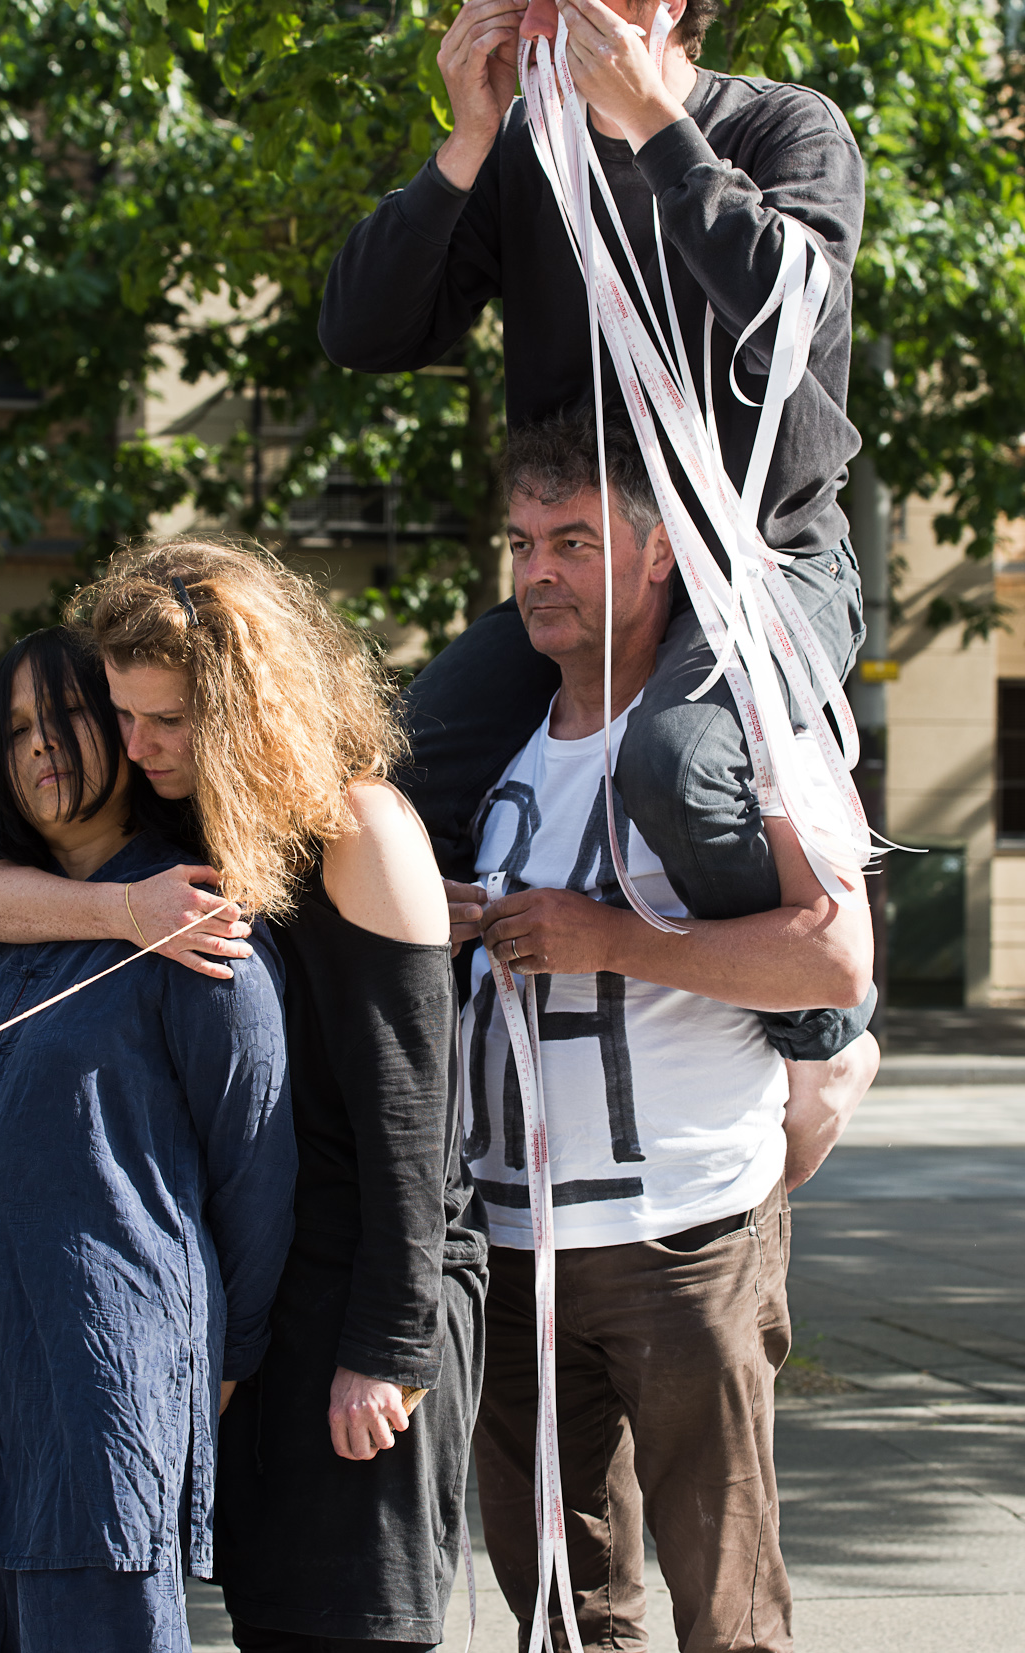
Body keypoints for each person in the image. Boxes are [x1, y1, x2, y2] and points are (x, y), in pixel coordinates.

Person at [320, 0, 873, 1064]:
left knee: (678, 766)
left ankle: (820, 1030)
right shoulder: (527, 156)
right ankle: (434, 1096)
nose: (532, 18)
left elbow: (786, 316)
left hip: (762, 574)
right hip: (588, 578)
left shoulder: (785, 128)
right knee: (386, 788)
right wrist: (466, 142)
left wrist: (657, 128)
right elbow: (362, 333)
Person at [0, 540, 487, 1653]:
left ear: (249, 708)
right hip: (264, 1301)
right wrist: (121, 911)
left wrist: (388, 1352)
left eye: (167, 721)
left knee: (355, 1626)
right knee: (270, 1620)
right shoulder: (196, 820)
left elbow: (414, 1134)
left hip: (371, 1297)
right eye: (124, 716)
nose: (136, 746)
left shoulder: (360, 827)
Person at [446, 414, 877, 1653]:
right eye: (522, 543)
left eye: (574, 542)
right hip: (511, 1246)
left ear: (657, 555)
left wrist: (612, 938)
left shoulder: (746, 733)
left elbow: (837, 956)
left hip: (685, 1236)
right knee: (560, 1619)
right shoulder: (499, 756)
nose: (539, 572)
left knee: (727, 1619)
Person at [0, 626, 296, 1653]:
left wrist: (217, 1363)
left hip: (93, 1384)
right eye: (16, 726)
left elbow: (257, 1165)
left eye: (68, 713)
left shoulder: (200, 922)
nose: (41, 743)